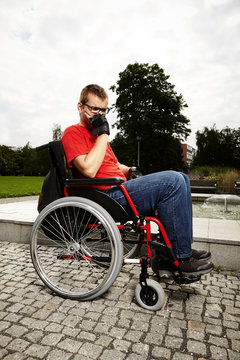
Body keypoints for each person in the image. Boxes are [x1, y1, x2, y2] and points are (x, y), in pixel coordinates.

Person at [61, 84, 213, 277]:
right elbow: (89, 169)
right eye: (94, 109)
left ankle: (175, 251)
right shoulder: (72, 133)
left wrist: (131, 170)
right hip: (107, 195)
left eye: (103, 110)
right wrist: (103, 134)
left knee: (182, 177)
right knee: (173, 181)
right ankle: (180, 258)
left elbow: (114, 164)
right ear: (80, 107)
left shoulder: (97, 137)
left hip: (120, 188)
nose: (99, 115)